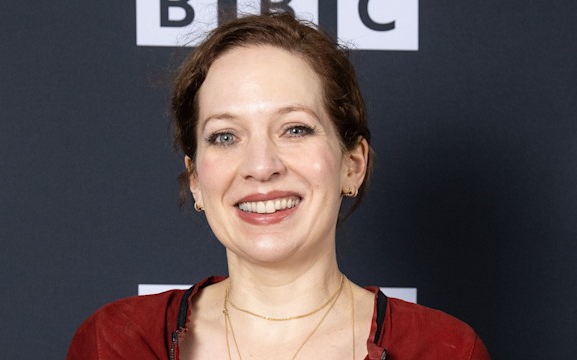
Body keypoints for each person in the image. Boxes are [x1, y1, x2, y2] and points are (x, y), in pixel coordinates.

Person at [67, 12, 490, 360]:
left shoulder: (442, 349)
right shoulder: (116, 342)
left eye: (295, 129)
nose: (261, 165)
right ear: (196, 180)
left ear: (352, 164)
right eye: (226, 136)